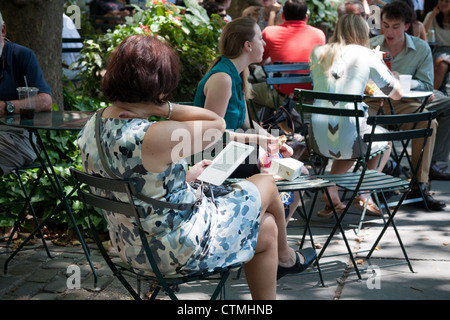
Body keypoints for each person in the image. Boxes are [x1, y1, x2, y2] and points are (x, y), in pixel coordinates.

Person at [76, 34, 316, 300]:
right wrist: (165, 108)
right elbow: (217, 124)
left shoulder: (93, 124)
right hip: (176, 249)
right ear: (157, 86)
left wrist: (185, 177)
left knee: (267, 227)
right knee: (266, 183)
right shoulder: (153, 134)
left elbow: (132, 177)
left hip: (129, 245)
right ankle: (286, 258)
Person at [194, 17, 305, 223]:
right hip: (216, 161)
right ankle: (266, 235)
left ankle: (266, 234)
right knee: (296, 175)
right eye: (261, 39)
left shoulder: (237, 74)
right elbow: (211, 136)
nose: (265, 44)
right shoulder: (222, 78)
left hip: (234, 153)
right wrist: (257, 141)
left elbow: (247, 124)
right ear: (247, 45)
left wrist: (274, 142)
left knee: (297, 171)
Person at [309, 14, 401, 217]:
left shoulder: (318, 52)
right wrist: (379, 63)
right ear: (362, 32)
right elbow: (395, 93)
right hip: (349, 135)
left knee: (353, 140)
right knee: (383, 142)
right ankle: (363, 194)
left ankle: (331, 189)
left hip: (316, 137)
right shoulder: (366, 54)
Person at [368, 1, 448, 210]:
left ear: (406, 26)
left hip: (405, 103)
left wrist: (402, 80)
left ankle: (419, 185)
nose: (389, 31)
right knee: (359, 118)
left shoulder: (420, 48)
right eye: (385, 25)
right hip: (375, 103)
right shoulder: (371, 46)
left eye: (395, 26)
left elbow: (427, 85)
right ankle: (368, 183)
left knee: (428, 123)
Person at [0, 11, 53, 177]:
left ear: (2, 31)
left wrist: (7, 106)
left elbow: (45, 101)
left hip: (18, 136)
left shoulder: (21, 56)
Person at [252, 0, 326, 110]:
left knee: (246, 92)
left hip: (280, 96)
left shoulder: (270, 32)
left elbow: (259, 61)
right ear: (305, 17)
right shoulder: (319, 34)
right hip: (309, 96)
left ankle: (260, 126)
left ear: (283, 15)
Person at [423, 0, 450, 91]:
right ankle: (431, 93)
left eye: (447, 1)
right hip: (439, 49)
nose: (443, 3)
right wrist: (433, 15)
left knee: (442, 63)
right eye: (441, 0)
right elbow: (424, 32)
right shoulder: (432, 15)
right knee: (441, 63)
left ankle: (433, 93)